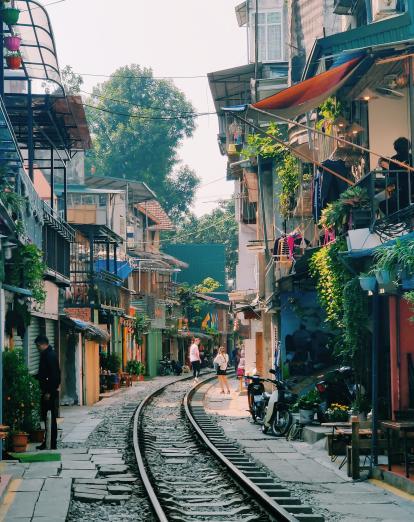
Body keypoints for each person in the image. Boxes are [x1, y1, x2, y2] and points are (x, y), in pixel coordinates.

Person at [35, 335, 61, 450]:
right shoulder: (48, 355)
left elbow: (54, 376)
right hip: (47, 391)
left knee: (50, 417)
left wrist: (49, 392)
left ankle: (51, 443)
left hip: (49, 392)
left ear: (42, 344)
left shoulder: (49, 356)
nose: (37, 348)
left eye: (37, 346)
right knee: (47, 417)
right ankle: (48, 441)